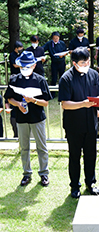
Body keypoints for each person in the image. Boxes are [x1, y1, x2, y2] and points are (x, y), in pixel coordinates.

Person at [58, 47, 99, 199]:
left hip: (91, 123)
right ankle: (75, 186)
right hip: (74, 125)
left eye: (88, 61)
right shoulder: (66, 78)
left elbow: (98, 95)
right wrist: (82, 104)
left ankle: (90, 183)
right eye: (83, 62)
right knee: (75, 156)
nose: (86, 64)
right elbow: (65, 104)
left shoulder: (93, 74)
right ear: (74, 63)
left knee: (91, 155)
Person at [4, 51, 52, 186]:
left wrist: (34, 100)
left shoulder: (40, 80)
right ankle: (26, 173)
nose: (25, 69)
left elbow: (46, 102)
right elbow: (9, 98)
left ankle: (44, 173)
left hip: (37, 118)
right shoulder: (14, 79)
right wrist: (18, 104)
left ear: (34, 65)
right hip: (21, 117)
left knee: (41, 147)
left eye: (27, 66)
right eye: (22, 66)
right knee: (24, 147)